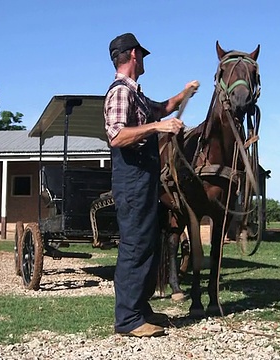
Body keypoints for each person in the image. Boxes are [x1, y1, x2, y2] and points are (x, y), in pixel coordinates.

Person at [104, 32, 199, 338]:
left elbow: (164, 108)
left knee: (147, 244)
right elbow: (117, 136)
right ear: (133, 55)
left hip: (144, 183)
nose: (144, 60)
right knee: (134, 246)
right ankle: (128, 319)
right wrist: (158, 127)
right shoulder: (120, 92)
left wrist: (185, 94)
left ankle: (140, 309)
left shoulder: (138, 96)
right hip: (131, 183)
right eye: (142, 55)